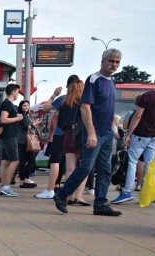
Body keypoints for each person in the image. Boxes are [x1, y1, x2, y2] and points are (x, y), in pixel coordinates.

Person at [53, 49, 123, 216]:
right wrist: (91, 133)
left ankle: (100, 204)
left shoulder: (111, 81)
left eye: (117, 62)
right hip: (95, 132)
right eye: (111, 61)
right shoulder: (94, 80)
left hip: (106, 133)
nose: (114, 64)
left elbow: (105, 107)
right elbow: (85, 107)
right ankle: (62, 195)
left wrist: (113, 124)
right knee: (86, 167)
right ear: (103, 61)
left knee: (105, 169)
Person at [112, 71, 155, 204]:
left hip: (141, 134)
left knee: (132, 161)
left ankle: (126, 191)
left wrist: (129, 134)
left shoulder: (147, 96)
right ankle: (148, 191)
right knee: (150, 164)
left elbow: (137, 116)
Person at [35, 75, 79, 199]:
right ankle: (72, 193)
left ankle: (50, 189)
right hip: (76, 134)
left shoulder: (63, 99)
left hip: (61, 133)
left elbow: (46, 107)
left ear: (67, 86)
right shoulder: (82, 100)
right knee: (72, 165)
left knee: (55, 161)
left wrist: (54, 95)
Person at [58, 78, 90, 206]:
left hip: (68, 136)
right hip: (82, 136)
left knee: (70, 168)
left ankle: (69, 195)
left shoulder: (65, 103)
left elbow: (60, 124)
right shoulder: (85, 103)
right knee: (84, 167)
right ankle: (79, 195)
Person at [0, 83, 23, 196]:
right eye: (18, 91)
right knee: (15, 161)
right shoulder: (8, 104)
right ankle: (7, 187)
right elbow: (3, 119)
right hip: (9, 136)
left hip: (5, 136)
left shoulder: (6, 103)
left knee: (4, 161)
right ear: (13, 92)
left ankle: (4, 187)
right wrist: (17, 118)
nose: (18, 93)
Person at [17, 100, 41, 188]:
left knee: (23, 161)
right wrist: (35, 123)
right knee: (31, 160)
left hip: (22, 141)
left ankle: (23, 180)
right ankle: (26, 178)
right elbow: (25, 127)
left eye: (27, 105)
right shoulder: (22, 115)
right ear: (21, 106)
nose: (26, 107)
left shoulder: (25, 115)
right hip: (24, 141)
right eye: (24, 105)